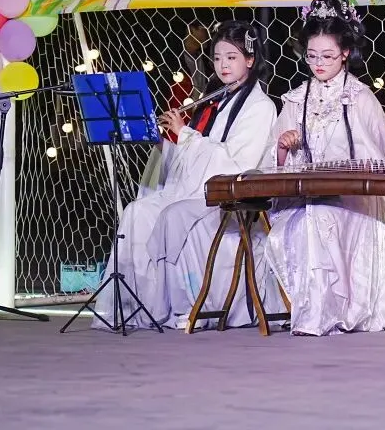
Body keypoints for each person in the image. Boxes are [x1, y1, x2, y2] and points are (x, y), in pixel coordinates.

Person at [263, 0, 385, 336]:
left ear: (345, 53)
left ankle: (335, 311)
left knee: (325, 217)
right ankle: (316, 312)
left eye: (328, 56)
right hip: (307, 196)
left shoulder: (359, 95)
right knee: (310, 219)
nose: (318, 64)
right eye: (312, 56)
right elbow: (273, 158)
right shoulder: (296, 99)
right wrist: (283, 147)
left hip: (355, 197)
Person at [92, 20, 278, 331]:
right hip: (195, 190)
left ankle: (188, 306)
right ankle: (139, 305)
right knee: (138, 211)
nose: (223, 65)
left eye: (231, 57)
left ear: (250, 59)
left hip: (228, 199)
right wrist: (165, 142)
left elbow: (235, 165)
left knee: (173, 215)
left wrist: (186, 135)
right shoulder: (215, 100)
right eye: (217, 58)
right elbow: (191, 160)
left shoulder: (260, 107)